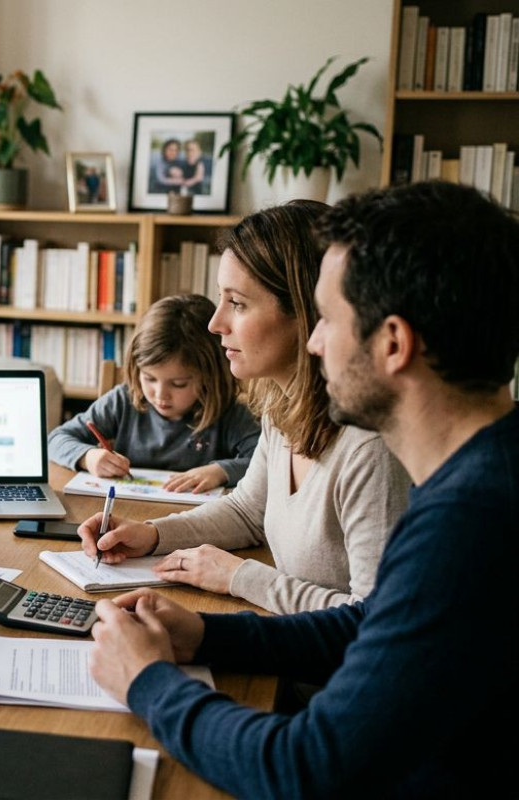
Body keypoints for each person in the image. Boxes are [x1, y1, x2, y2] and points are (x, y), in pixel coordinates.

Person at [87, 180, 519, 797]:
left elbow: (304, 768)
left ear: (393, 344)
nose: (314, 342)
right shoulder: (482, 474)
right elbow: (370, 623)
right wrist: (208, 634)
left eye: (329, 320)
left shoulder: (468, 522)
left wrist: (146, 681)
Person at [77, 201, 410, 615]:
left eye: (237, 303)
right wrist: (151, 534)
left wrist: (241, 577)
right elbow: (247, 511)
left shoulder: (370, 450)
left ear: (306, 313)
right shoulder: (282, 409)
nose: (215, 323)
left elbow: (375, 618)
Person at [48, 294, 260, 493]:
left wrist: (221, 472)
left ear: (210, 377)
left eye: (178, 384)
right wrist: (88, 457)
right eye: (149, 378)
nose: (160, 395)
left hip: (196, 515)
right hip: (125, 510)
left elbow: (266, 463)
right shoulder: (123, 401)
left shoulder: (230, 413)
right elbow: (56, 439)